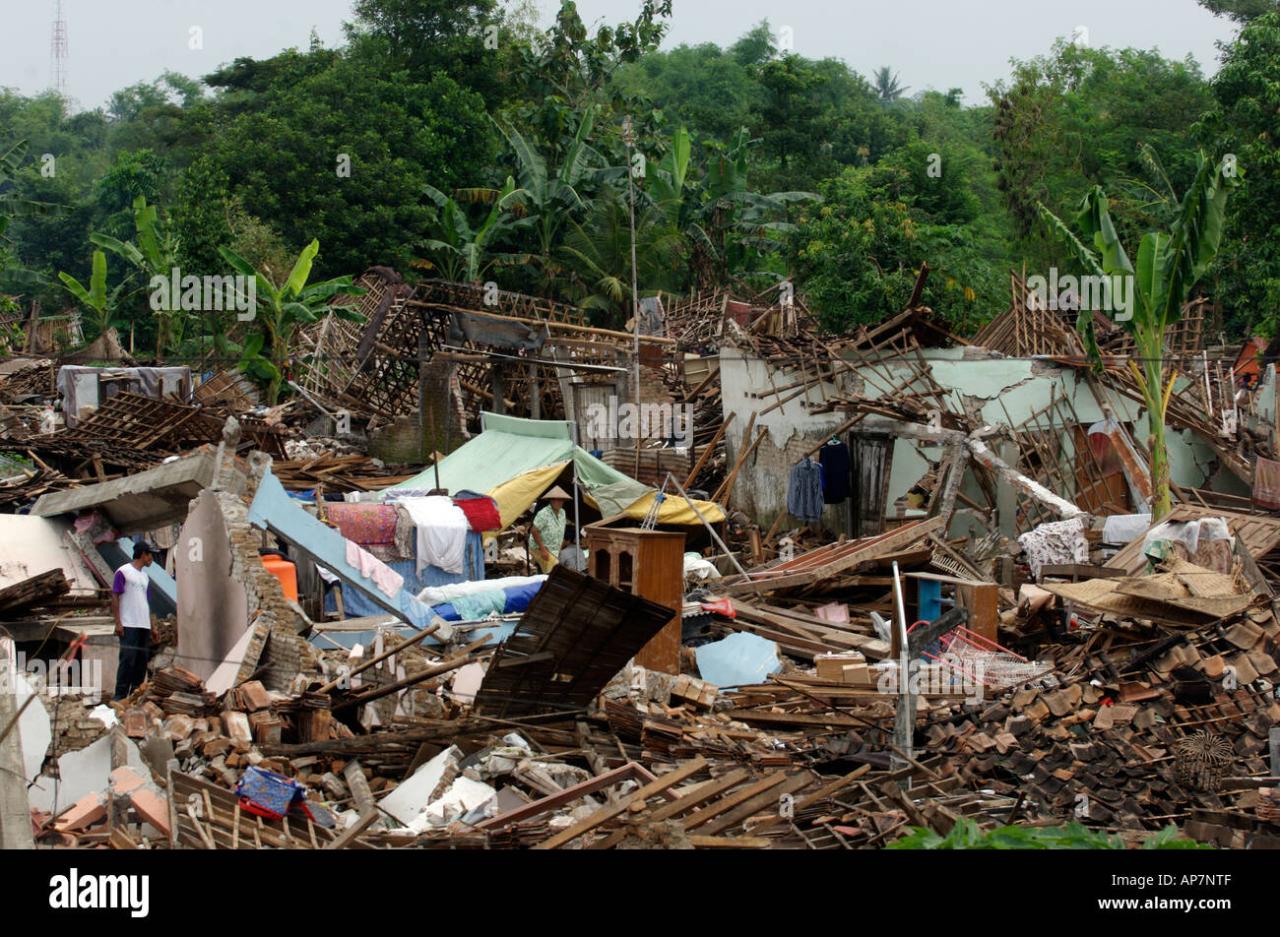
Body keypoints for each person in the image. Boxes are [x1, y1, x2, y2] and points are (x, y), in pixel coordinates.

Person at [112, 542, 158, 700]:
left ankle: (135, 695)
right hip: (129, 623)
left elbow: (148, 603)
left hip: (143, 625)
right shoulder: (123, 572)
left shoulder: (145, 577)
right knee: (127, 660)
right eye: (150, 554)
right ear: (143, 554)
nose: (152, 558)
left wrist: (153, 627)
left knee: (141, 662)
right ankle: (119, 696)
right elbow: (115, 596)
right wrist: (118, 622)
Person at [528, 486, 570, 574]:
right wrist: (542, 549)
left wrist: (560, 546)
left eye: (561, 500)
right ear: (551, 501)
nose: (559, 502)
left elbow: (561, 530)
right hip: (539, 547)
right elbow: (534, 530)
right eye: (556, 500)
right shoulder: (544, 513)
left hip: (554, 549)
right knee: (553, 570)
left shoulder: (563, 513)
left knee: (550, 571)